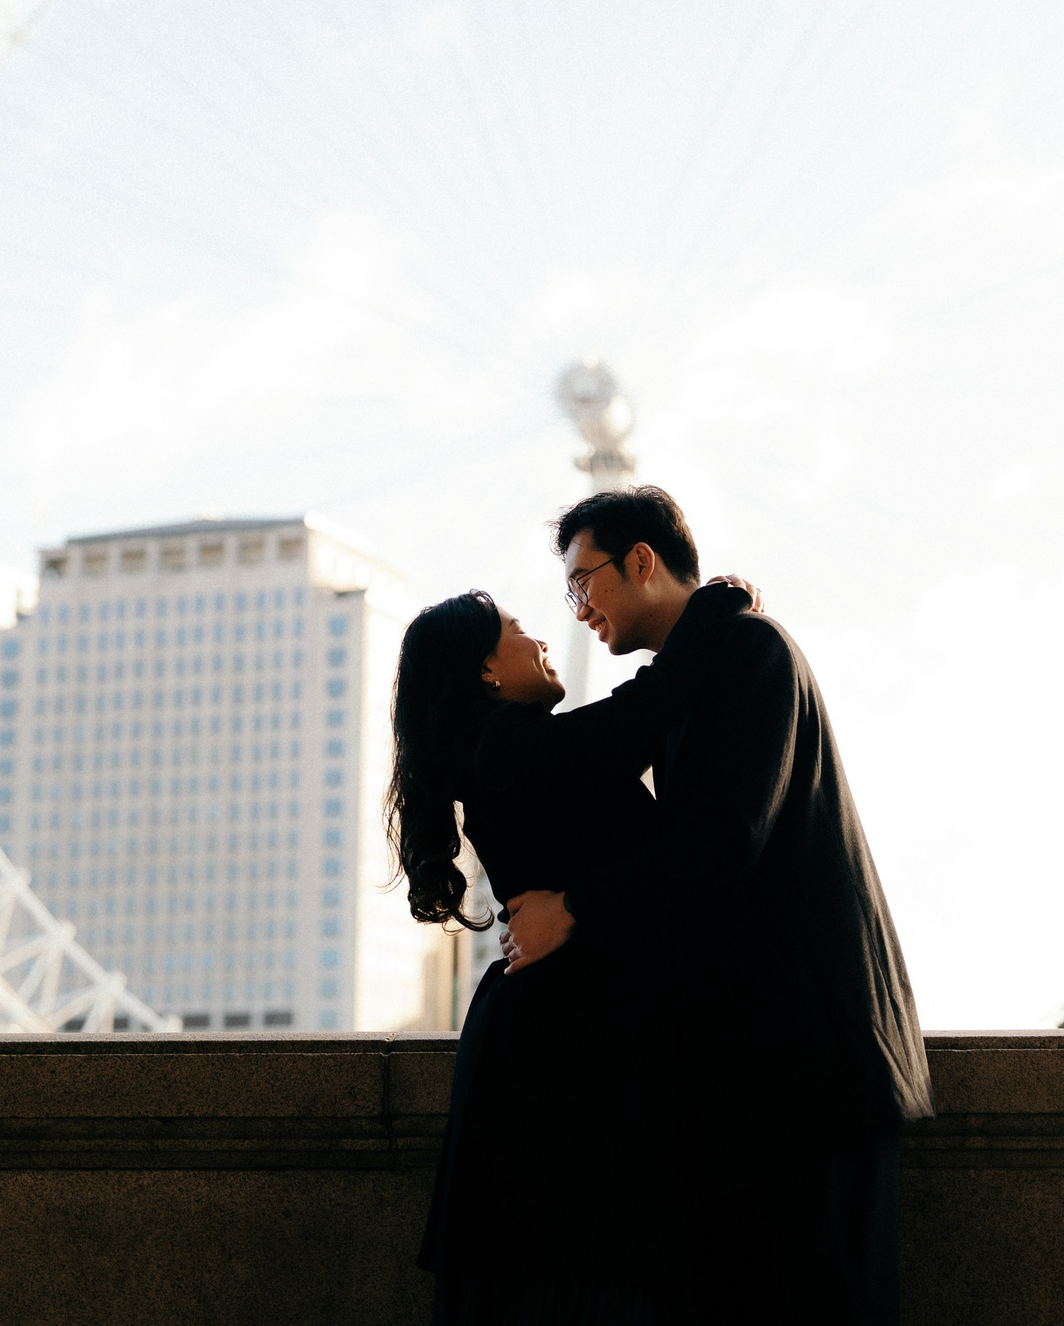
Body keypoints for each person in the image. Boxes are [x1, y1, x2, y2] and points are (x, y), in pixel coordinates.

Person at [501, 486, 928, 1326]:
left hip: (810, 1073)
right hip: (774, 1077)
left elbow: (721, 838)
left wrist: (574, 907)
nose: (578, 608)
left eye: (583, 582)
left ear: (642, 561)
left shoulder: (749, 652)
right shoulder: (703, 664)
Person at [390, 580, 754, 1325]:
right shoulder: (505, 747)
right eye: (518, 628)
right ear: (485, 671)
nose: (542, 638)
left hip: (562, 1035)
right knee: (584, 1270)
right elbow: (639, 717)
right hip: (565, 1048)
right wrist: (715, 608)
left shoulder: (509, 752)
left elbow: (633, 732)